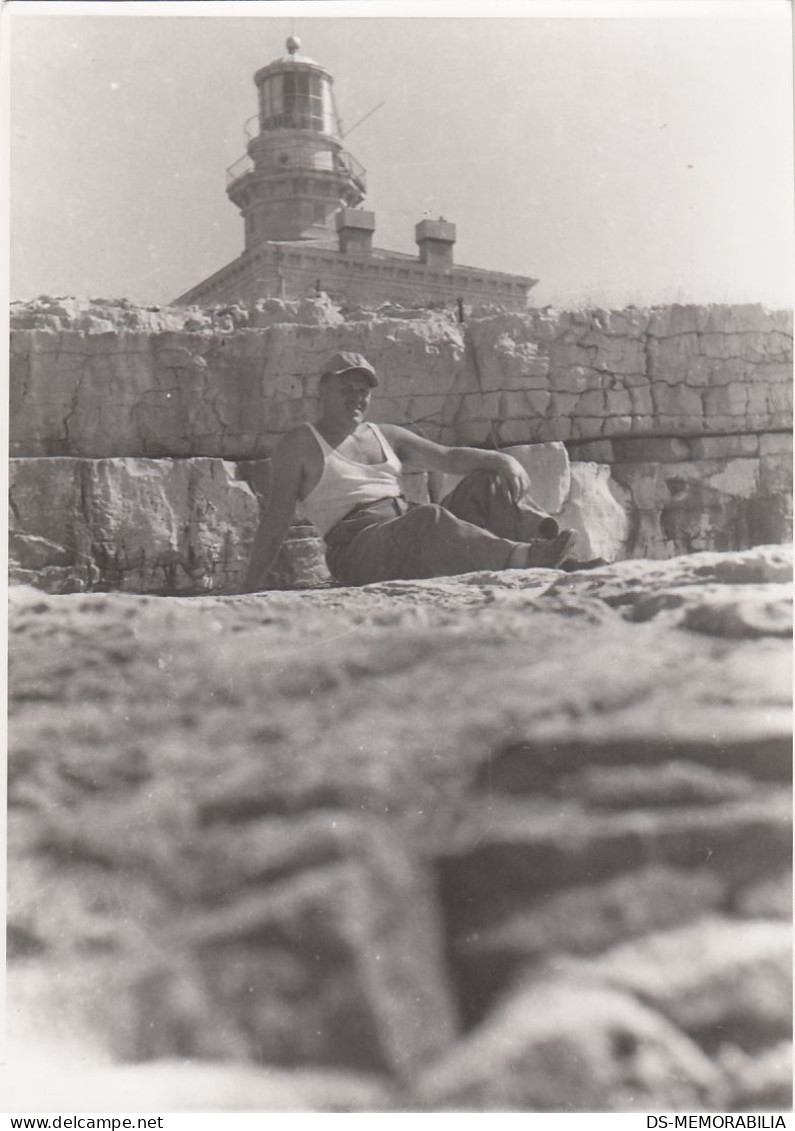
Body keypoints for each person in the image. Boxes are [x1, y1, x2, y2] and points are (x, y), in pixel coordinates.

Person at [244, 351, 601, 590]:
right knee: (429, 518)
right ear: (322, 390)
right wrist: (245, 589)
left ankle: (560, 562)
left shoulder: (386, 435)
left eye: (363, 391)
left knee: (484, 482)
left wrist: (502, 460)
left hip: (408, 532)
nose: (356, 397)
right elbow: (275, 522)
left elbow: (448, 457)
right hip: (359, 550)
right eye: (346, 388)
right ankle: (523, 558)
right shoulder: (299, 444)